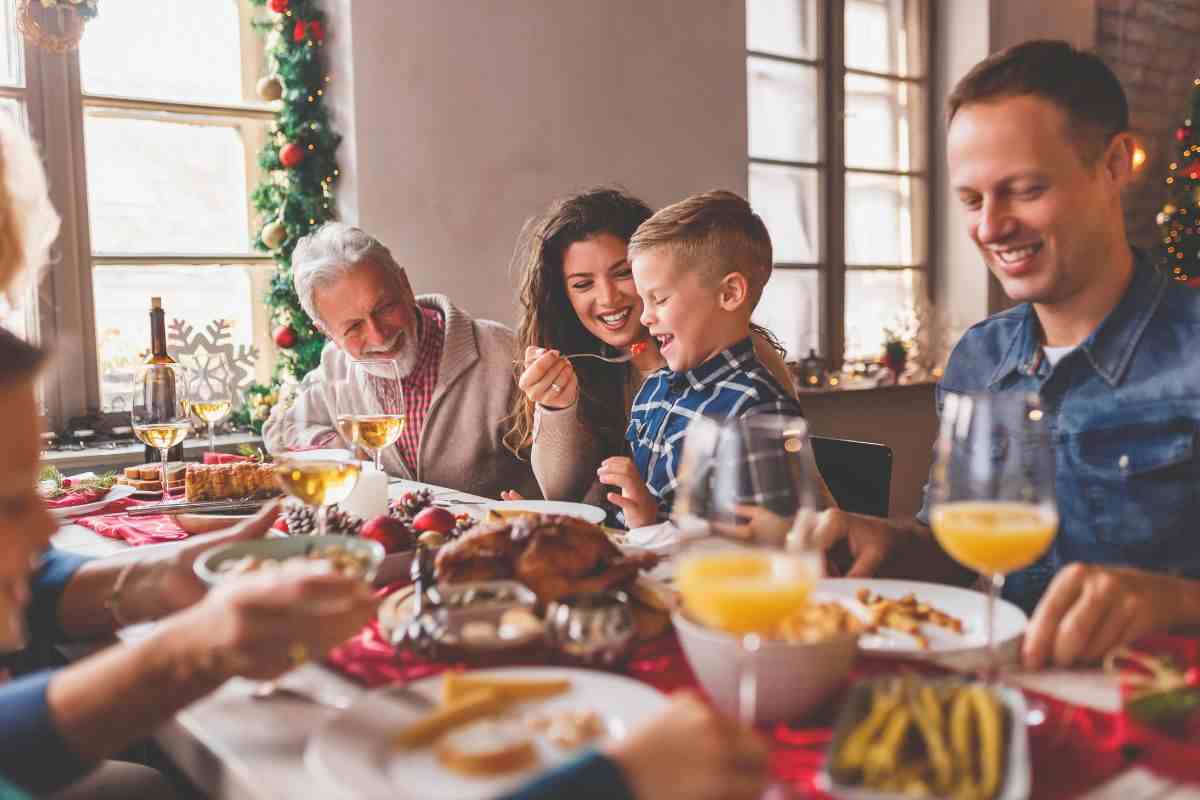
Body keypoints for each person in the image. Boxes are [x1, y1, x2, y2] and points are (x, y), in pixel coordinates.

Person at [815, 40, 1200, 669]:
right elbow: (955, 551)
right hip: (1003, 707)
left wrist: (1173, 602)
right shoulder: (979, 359)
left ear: (1112, 166)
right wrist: (883, 540)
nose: (990, 227)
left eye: (1023, 190)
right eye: (972, 200)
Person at [503, 188, 804, 514]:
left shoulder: (739, 367)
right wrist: (556, 408)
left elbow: (791, 501)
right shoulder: (600, 364)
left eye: (622, 274)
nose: (607, 299)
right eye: (582, 284)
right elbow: (564, 495)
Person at [263, 222, 540, 499]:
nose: (378, 335)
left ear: (405, 285)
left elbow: (563, 477)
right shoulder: (336, 364)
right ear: (327, 332)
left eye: (384, 308)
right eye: (353, 327)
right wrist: (343, 451)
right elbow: (280, 430)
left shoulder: (504, 352)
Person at [605, 189, 805, 527]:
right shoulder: (651, 392)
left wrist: (648, 525)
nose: (645, 318)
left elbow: (759, 551)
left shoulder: (758, 411)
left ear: (729, 294)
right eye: (644, 301)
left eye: (660, 299)